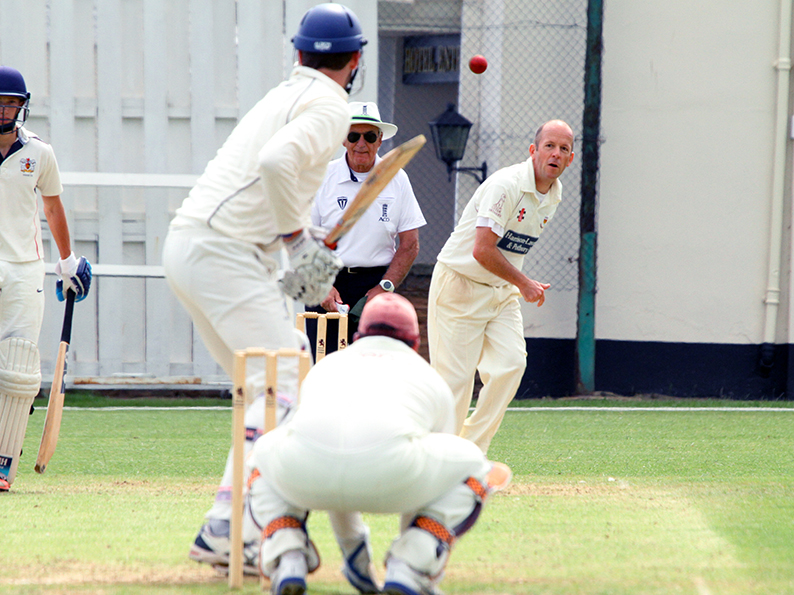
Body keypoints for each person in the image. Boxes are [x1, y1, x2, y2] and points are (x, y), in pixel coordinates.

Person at [160, 2, 367, 577]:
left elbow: (268, 178)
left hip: (194, 246)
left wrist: (297, 249)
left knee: (267, 388)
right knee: (285, 378)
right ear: (354, 60)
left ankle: (226, 527)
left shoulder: (284, 94)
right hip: (222, 251)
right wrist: (298, 240)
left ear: (299, 53)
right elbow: (277, 165)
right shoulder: (329, 103)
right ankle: (246, 530)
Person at [243, 293, 512, 595]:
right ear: (414, 343)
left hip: (306, 474)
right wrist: (407, 558)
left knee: (260, 457)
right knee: (477, 466)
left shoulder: (326, 366)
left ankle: (286, 554)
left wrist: (355, 554)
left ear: (358, 337)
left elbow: (335, 452)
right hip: (394, 477)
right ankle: (410, 566)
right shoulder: (429, 377)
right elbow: (432, 479)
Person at [428, 120, 575, 454]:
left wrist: (518, 284)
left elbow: (509, 248)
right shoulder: (505, 185)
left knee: (511, 364)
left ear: (570, 159)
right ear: (533, 151)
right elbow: (482, 250)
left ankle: (471, 453)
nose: (555, 153)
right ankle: (438, 463)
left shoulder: (555, 193)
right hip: (459, 286)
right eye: (549, 145)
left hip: (501, 291)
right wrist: (525, 283)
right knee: (454, 385)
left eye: (563, 149)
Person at [0, 66, 92, 492]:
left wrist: (68, 260)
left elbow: (53, 209)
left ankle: (3, 459)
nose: (4, 111)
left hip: (22, 270)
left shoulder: (39, 153)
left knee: (18, 369)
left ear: (22, 107)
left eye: (12, 104)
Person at [307, 101, 425, 357]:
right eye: (353, 135)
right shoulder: (321, 177)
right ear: (343, 139)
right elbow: (306, 239)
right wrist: (322, 285)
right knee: (325, 367)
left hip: (375, 282)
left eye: (369, 136)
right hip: (326, 278)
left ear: (380, 139)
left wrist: (385, 286)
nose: (361, 143)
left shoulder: (397, 178)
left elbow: (410, 244)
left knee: (373, 367)